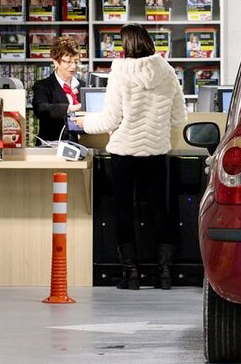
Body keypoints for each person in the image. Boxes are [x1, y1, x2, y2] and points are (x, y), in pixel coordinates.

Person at [74, 24, 187, 290]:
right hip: (156, 152)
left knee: (124, 211)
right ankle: (165, 275)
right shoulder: (167, 72)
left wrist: (84, 122)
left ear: (127, 46)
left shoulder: (120, 73)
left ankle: (131, 274)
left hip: (124, 152)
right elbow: (178, 117)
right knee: (161, 211)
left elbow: (110, 119)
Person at [31, 36, 84, 144]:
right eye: (68, 62)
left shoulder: (83, 86)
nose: (73, 66)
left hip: (83, 145)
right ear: (55, 62)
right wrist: (70, 108)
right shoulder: (43, 86)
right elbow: (41, 109)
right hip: (52, 146)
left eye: (76, 61)